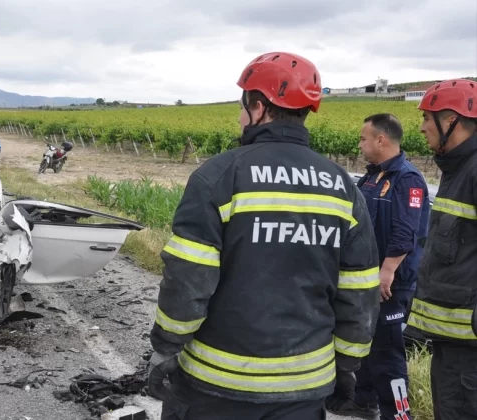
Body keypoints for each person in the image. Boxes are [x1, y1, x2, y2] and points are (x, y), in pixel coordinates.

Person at [147, 51, 381, 420]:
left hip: (216, 385)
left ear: (258, 107)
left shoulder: (218, 177)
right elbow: (360, 288)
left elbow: (190, 279)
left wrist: (166, 347)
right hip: (305, 388)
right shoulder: (342, 186)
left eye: (243, 106)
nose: (240, 117)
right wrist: (349, 362)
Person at [326, 113, 430, 419]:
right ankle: (363, 400)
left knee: (387, 353)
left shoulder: (406, 179)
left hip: (391, 283)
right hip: (368, 280)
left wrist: (387, 272)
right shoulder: (371, 178)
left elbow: (405, 232)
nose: (359, 144)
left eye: (363, 138)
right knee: (366, 345)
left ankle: (398, 413)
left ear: (380, 140)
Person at [404, 79, 477, 420]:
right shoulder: (457, 169)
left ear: (451, 121)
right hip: (453, 345)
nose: (420, 128)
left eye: (427, 118)